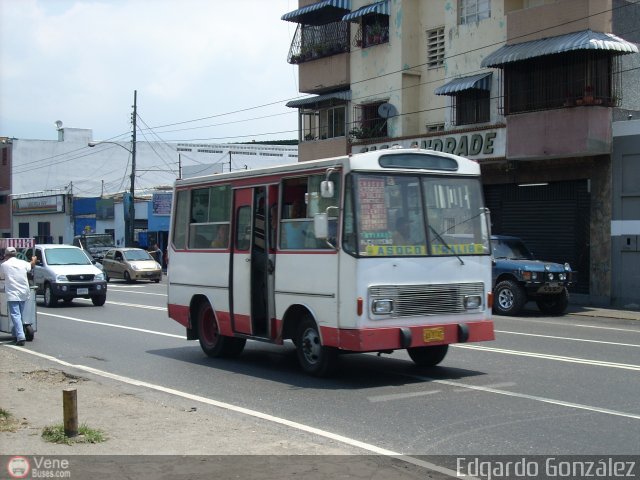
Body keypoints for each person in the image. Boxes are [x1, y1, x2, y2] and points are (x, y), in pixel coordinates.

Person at [0, 246, 37, 346]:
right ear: (15, 254)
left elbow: (1, 276)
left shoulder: (4, 265)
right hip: (24, 292)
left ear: (6, 255)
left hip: (13, 293)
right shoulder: (22, 263)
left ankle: (20, 337)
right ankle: (16, 333)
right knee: (19, 314)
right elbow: (31, 265)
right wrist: (33, 260)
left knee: (15, 315)